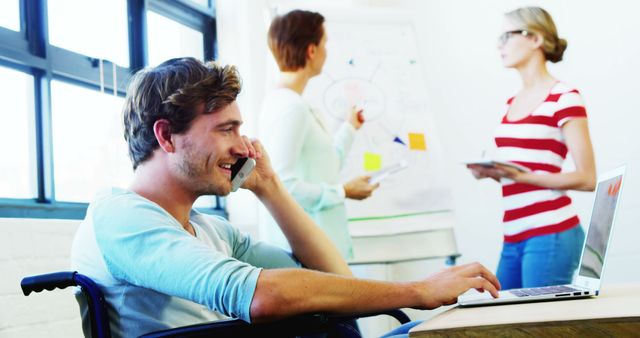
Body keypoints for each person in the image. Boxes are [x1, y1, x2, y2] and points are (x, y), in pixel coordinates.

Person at [70, 57, 500, 338]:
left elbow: (335, 279)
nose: (245, 146)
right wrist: (417, 290)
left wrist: (270, 188)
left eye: (240, 129)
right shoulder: (120, 215)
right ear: (166, 136)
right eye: (226, 130)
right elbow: (262, 296)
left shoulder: (208, 229)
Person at [467, 7, 596, 290]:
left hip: (551, 230)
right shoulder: (510, 102)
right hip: (513, 232)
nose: (499, 45)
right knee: (505, 322)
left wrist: (521, 176)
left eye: (506, 36)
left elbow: (587, 178)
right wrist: (494, 172)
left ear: (535, 39)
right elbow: (523, 165)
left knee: (536, 326)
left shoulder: (564, 98)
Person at [259, 10, 378, 259]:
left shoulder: (294, 103)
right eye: (325, 44)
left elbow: (326, 165)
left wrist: (350, 128)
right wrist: (343, 191)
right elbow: (283, 186)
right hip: (308, 254)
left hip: (320, 251)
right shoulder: (290, 107)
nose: (327, 51)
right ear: (312, 51)